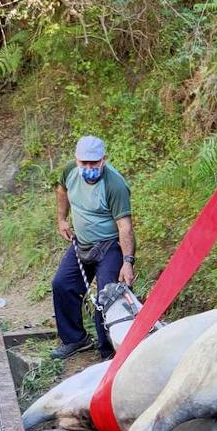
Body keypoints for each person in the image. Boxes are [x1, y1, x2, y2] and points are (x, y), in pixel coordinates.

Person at [50, 135, 137, 359]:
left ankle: (109, 351)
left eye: (94, 163)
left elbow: (125, 226)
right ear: (76, 160)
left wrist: (128, 262)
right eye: (84, 163)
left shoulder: (114, 185)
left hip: (110, 246)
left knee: (106, 296)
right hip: (82, 242)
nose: (89, 167)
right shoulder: (70, 172)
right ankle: (75, 339)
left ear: (104, 160)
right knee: (62, 284)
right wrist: (62, 219)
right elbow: (62, 190)